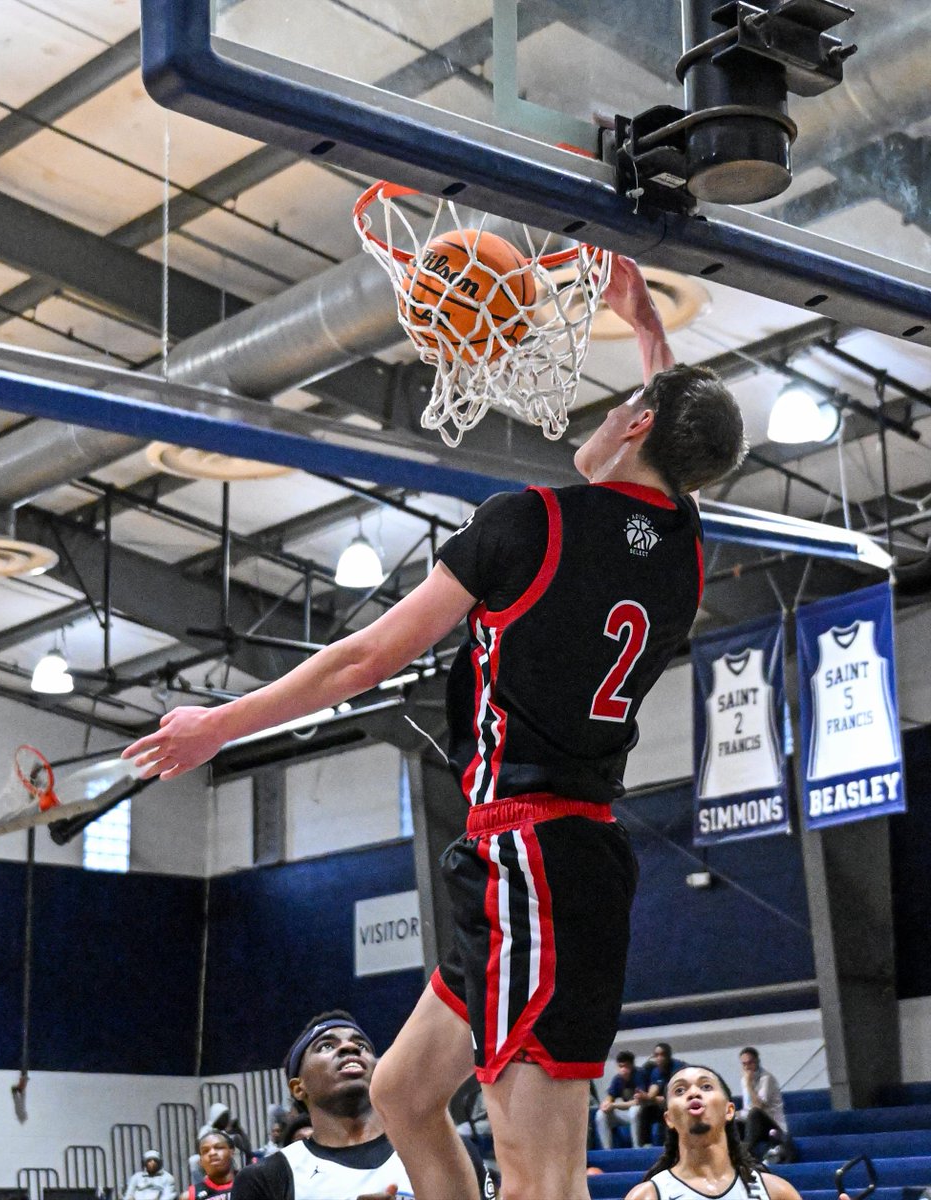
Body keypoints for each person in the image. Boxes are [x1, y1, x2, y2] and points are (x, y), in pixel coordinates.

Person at [124, 255, 747, 1200]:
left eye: (625, 407)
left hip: (532, 858)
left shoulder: (528, 522)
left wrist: (221, 724)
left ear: (638, 423)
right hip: (546, 855)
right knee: (405, 1091)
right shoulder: (684, 551)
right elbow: (679, 452)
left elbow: (362, 660)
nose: (606, 414)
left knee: (544, 1181)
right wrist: (645, 323)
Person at [231, 1010, 493, 1200]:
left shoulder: (445, 1149)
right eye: (325, 1046)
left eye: (361, 1045)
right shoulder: (266, 1179)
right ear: (299, 1087)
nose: (348, 1047)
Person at [623, 1065, 847, 1200]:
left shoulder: (776, 1192)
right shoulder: (647, 1196)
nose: (693, 1093)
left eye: (706, 1086)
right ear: (669, 1119)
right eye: (680, 1090)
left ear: (730, 1110)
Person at [736, 1047, 788, 1159]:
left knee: (755, 1113)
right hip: (756, 1126)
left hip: (773, 1126)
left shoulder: (766, 1078)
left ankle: (745, 1152)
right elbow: (747, 1109)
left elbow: (758, 1107)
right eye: (744, 1064)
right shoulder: (744, 1080)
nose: (747, 1067)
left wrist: (749, 1084)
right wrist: (733, 1115)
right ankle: (736, 1155)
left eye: (750, 1063)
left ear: (757, 1062)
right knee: (733, 1122)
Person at [638, 1043, 688, 1147]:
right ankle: (645, 1146)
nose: (659, 1058)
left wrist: (653, 1099)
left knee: (671, 1108)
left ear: (668, 1056)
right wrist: (645, 1097)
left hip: (682, 1104)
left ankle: (677, 1146)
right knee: (645, 1111)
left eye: (662, 1055)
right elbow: (653, 1091)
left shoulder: (678, 1069)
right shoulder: (656, 1071)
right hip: (665, 1104)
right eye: (656, 1055)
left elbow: (676, 1098)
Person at [596, 1051, 648, 1149]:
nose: (623, 1069)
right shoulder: (617, 1079)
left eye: (626, 1066)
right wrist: (606, 1105)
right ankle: (607, 1150)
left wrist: (614, 1105)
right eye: (620, 1066)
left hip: (641, 1114)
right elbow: (610, 1098)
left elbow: (637, 1102)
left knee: (634, 1110)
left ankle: (637, 1147)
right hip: (625, 1114)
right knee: (600, 1114)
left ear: (632, 1065)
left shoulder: (639, 1075)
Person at [182, 1129, 236, 1200]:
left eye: (219, 1147)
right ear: (200, 1161)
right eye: (205, 1151)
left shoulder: (251, 1183)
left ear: (231, 1152)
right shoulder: (189, 1197)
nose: (212, 1153)